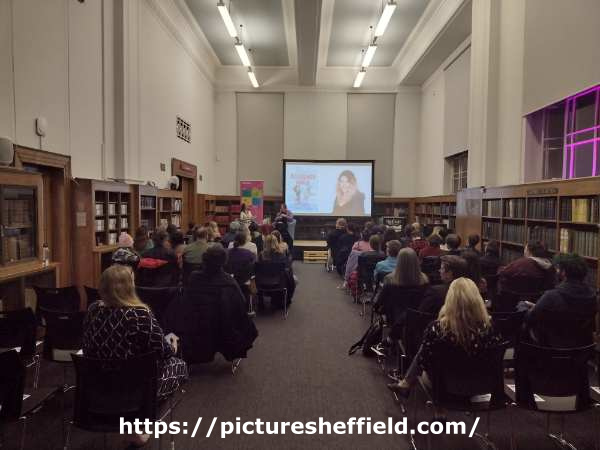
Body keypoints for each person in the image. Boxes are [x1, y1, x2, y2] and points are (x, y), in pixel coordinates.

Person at [83, 265, 187, 446]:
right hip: (138, 389)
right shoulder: (139, 314)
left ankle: (131, 421)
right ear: (130, 287)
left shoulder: (93, 310)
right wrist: (172, 344)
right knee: (178, 364)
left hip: (100, 385)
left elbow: (87, 348)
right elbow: (164, 353)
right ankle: (142, 422)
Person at [388, 277, 503, 397]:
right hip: (483, 385)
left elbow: (423, 360)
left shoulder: (438, 328)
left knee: (425, 353)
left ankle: (408, 384)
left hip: (445, 386)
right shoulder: (490, 328)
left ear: (449, 300)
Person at [166, 245, 258, 363]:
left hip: (196, 327)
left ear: (204, 260)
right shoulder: (229, 282)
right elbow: (240, 306)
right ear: (224, 262)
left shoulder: (194, 278)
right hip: (223, 330)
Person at [521, 253, 596, 347]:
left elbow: (531, 317)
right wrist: (538, 306)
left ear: (563, 272)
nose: (556, 271)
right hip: (580, 346)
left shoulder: (551, 296)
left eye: (558, 268)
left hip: (552, 345)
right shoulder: (592, 296)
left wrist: (525, 307)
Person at [375, 248, 429, 338]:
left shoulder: (390, 280)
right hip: (416, 318)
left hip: (394, 319)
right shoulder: (425, 280)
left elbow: (380, 302)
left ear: (399, 261)